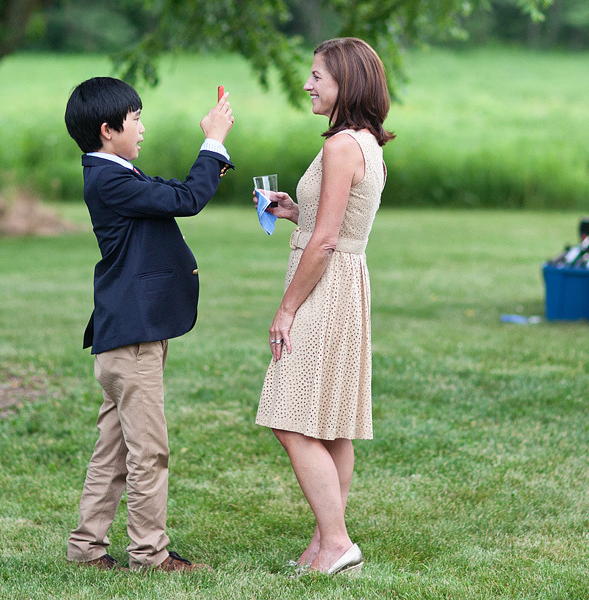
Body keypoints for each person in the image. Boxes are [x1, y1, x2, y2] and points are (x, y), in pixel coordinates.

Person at [64, 77, 234, 572]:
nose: (142, 127)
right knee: (149, 454)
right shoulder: (109, 178)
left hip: (125, 339)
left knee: (112, 452)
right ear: (106, 129)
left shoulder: (115, 172)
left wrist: (210, 156)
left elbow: (172, 193)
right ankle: (150, 556)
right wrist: (214, 141)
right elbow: (186, 200)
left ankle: (86, 548)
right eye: (135, 118)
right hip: (132, 341)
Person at [254, 37, 394, 576]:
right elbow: (334, 224)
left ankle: (337, 543)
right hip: (346, 284)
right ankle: (322, 546)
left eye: (318, 75)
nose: (308, 84)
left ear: (346, 83)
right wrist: (296, 212)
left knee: (289, 416)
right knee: (330, 421)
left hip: (326, 285)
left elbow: (327, 242)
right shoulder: (365, 143)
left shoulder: (340, 147)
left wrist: (286, 309)